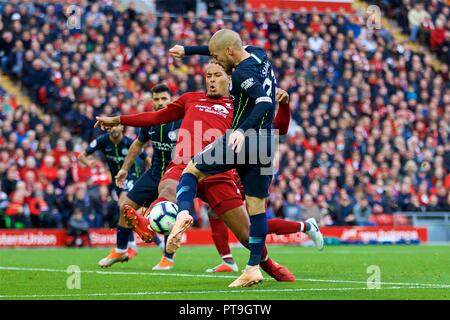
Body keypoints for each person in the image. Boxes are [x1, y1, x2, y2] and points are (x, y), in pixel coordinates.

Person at [95, 60, 321, 284]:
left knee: (246, 234)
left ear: (230, 79)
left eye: (217, 76)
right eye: (208, 76)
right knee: (167, 187)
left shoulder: (241, 105)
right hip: (185, 162)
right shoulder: (190, 99)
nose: (211, 81)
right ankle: (151, 222)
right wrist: (118, 119)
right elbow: (155, 117)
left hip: (219, 171)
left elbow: (278, 129)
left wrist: (284, 105)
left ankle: (268, 265)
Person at [167, 29, 324, 287]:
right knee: (256, 209)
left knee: (191, 170)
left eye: (218, 57)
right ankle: (252, 268)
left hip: (243, 140)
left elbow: (263, 100)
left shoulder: (241, 72)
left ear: (230, 52)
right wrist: (188, 50)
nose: (216, 61)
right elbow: (223, 46)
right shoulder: (258, 55)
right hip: (265, 144)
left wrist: (241, 130)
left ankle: (184, 212)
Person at [112, 84, 181, 268]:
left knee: (167, 211)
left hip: (176, 174)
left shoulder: (182, 120)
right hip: (155, 173)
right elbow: (137, 145)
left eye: (164, 99)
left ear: (171, 100)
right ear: (152, 102)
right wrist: (124, 169)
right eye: (157, 99)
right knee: (126, 205)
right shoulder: (150, 121)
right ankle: (120, 250)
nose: (160, 103)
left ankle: (168, 258)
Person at [78, 118, 150, 267]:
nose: (113, 129)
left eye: (116, 125)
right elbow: (81, 156)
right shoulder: (102, 141)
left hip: (132, 177)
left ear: (122, 127)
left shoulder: (130, 142)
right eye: (110, 126)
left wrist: (148, 176)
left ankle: (128, 246)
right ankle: (140, 244)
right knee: (126, 210)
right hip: (117, 181)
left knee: (123, 206)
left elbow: (147, 159)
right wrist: (89, 163)